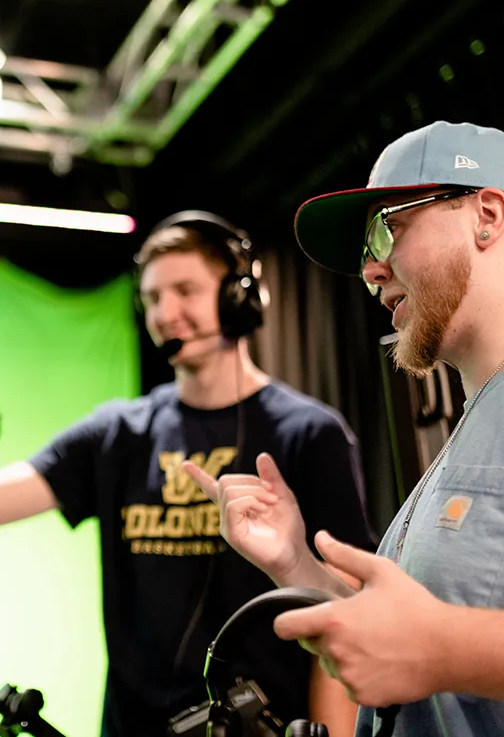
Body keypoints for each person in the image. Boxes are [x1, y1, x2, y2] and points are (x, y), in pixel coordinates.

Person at [0, 211, 374, 736]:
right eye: (154, 298)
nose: (167, 313)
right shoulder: (117, 433)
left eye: (186, 290)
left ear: (239, 295)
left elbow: (339, 612)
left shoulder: (310, 433)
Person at [185, 120, 504, 736]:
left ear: (485, 213)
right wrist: (295, 564)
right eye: (365, 248)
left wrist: (444, 647)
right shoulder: (466, 432)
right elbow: (397, 645)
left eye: (389, 228)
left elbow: (430, 646)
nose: (370, 270)